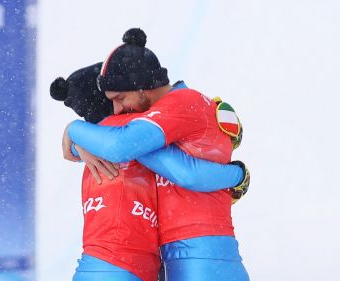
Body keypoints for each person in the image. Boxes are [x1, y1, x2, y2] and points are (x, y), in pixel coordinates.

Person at [63, 28, 251, 281]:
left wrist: (74, 130)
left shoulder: (181, 102)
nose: (118, 109)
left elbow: (127, 148)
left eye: (120, 98)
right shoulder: (161, 116)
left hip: (202, 253)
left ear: (142, 87)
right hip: (183, 254)